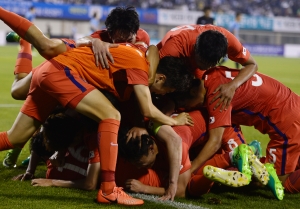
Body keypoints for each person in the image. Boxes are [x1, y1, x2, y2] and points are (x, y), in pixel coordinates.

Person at [0, 10, 195, 205]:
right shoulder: (137, 61)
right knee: (111, 115)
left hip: (52, 70)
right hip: (62, 71)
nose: (159, 92)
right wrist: (174, 120)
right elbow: (147, 109)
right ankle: (109, 191)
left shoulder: (136, 50)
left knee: (15, 138)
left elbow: (151, 50)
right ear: (157, 76)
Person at [156, 24, 258, 111]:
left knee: (203, 95)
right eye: (201, 61)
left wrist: (232, 86)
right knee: (164, 93)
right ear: (195, 48)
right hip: (175, 60)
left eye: (210, 64)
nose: (205, 67)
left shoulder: (228, 41)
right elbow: (152, 82)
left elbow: (252, 65)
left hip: (188, 62)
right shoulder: (174, 48)